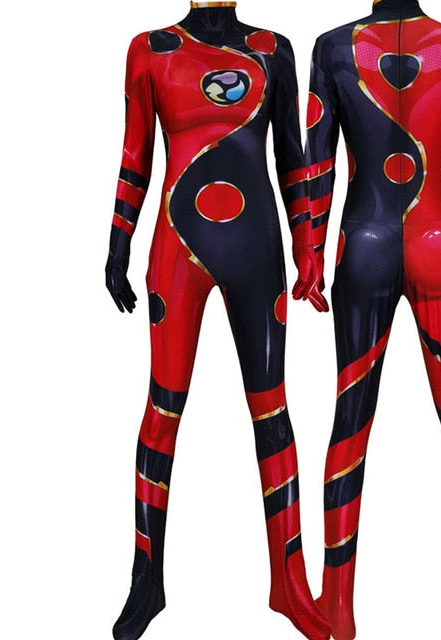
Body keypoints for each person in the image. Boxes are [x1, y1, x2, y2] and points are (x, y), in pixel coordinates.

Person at [105, 3, 328, 639]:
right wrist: (118, 243)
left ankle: (289, 583)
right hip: (176, 250)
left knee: (273, 410)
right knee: (162, 408)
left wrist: (309, 247)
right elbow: (135, 154)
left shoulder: (273, 49)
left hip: (256, 251)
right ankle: (146, 580)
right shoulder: (150, 50)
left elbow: (293, 158)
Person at [304, 0, 441, 637]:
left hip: (361, 243)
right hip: (437, 240)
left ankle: (338, 606)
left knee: (350, 419)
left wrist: (309, 257)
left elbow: (317, 165)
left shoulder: (333, 48)